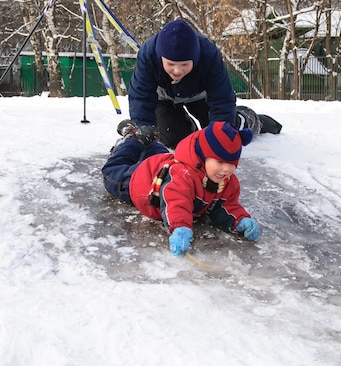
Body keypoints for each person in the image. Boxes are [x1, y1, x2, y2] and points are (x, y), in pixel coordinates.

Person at [101, 120, 260, 256]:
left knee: (160, 154)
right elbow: (177, 203)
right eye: (220, 162)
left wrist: (239, 220)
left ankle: (153, 141)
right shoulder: (183, 175)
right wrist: (180, 228)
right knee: (112, 170)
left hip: (163, 164)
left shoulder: (226, 181)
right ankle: (133, 139)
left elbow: (224, 206)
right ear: (203, 158)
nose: (226, 169)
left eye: (232, 164)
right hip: (139, 181)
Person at [128, 19, 282, 148]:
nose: (177, 70)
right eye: (171, 64)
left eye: (184, 65)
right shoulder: (148, 55)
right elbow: (141, 96)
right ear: (161, 58)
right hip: (165, 98)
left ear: (195, 58)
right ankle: (191, 134)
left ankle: (248, 118)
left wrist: (221, 132)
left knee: (223, 131)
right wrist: (143, 129)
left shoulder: (209, 55)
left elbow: (222, 97)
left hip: (201, 96)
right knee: (174, 139)